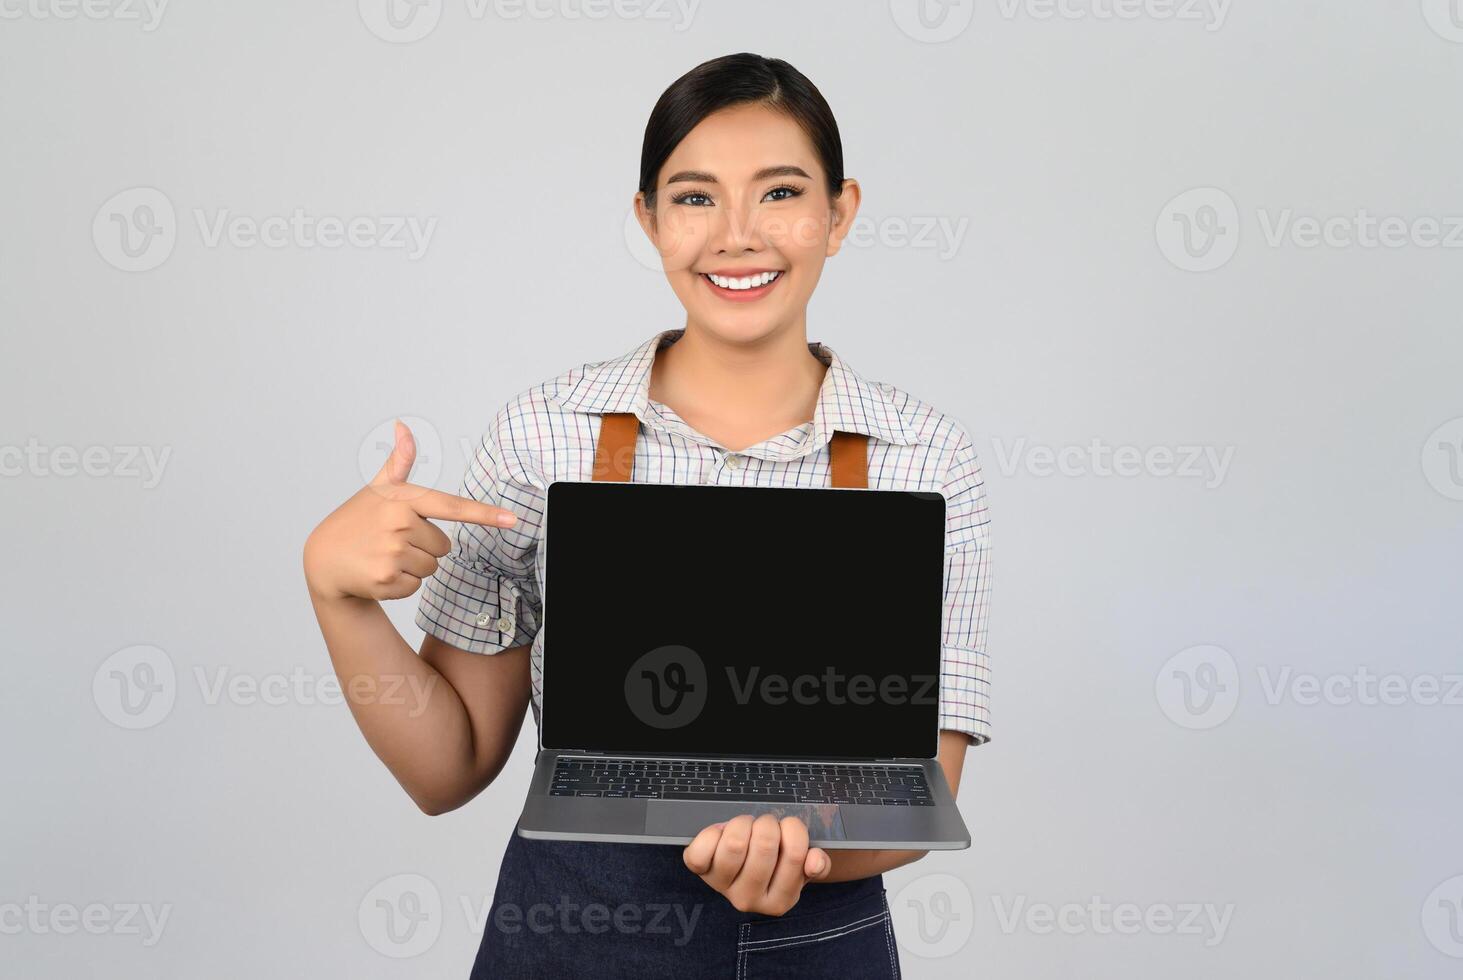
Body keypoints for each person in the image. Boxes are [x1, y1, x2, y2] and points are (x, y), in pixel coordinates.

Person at [303, 51, 992, 979]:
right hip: (571, 939)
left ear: (839, 214)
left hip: (820, 940)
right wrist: (336, 594)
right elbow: (447, 766)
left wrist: (800, 859)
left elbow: (921, 797)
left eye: (780, 192)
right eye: (695, 197)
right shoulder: (542, 437)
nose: (737, 235)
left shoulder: (927, 459)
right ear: (649, 219)